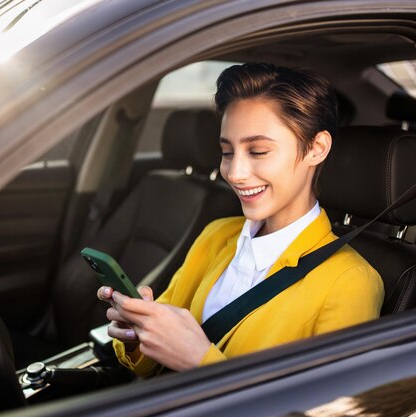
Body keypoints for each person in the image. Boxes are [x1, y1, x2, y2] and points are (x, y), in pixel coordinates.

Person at [97, 63, 384, 377]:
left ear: (316, 148)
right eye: (227, 152)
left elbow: (325, 409)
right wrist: (137, 331)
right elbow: (153, 362)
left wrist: (199, 361)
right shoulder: (217, 234)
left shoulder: (351, 282)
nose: (234, 174)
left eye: (258, 151)